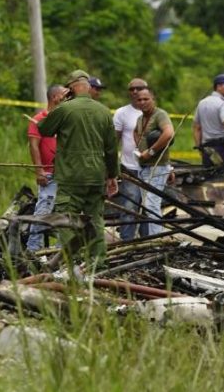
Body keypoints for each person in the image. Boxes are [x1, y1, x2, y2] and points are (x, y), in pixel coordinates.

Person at [37, 69, 119, 271]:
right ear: (89, 87)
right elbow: (111, 148)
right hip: (96, 176)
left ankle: (69, 261)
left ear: (70, 88)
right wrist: (112, 175)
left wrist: (59, 103)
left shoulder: (65, 110)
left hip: (71, 176)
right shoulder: (104, 111)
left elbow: (44, 129)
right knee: (95, 219)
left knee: (67, 218)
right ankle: (97, 262)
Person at [129, 88, 175, 238]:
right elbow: (135, 132)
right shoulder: (140, 119)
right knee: (146, 205)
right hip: (144, 167)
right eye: (139, 100)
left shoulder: (160, 114)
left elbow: (169, 133)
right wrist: (139, 147)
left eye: (146, 99)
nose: (142, 102)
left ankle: (156, 240)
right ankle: (150, 237)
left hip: (157, 167)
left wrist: (151, 152)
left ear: (153, 99)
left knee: (151, 205)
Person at [27, 85, 67, 252]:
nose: (68, 96)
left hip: (65, 175)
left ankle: (59, 251)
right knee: (44, 209)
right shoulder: (39, 119)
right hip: (48, 174)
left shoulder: (66, 119)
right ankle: (33, 248)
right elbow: (34, 146)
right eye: (64, 93)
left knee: (64, 213)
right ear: (55, 97)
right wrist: (39, 170)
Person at [113, 78, 146, 242]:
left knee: (149, 207)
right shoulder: (122, 113)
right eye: (132, 89)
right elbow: (114, 141)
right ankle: (127, 241)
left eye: (139, 88)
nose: (135, 91)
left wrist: (168, 167)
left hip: (150, 169)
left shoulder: (156, 113)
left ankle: (149, 241)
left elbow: (164, 142)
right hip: (130, 168)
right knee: (129, 206)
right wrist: (110, 167)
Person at [194, 74, 224, 180]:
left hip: (207, 148)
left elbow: (196, 128)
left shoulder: (202, 103)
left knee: (209, 180)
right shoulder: (223, 104)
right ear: (219, 86)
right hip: (222, 148)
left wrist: (199, 148)